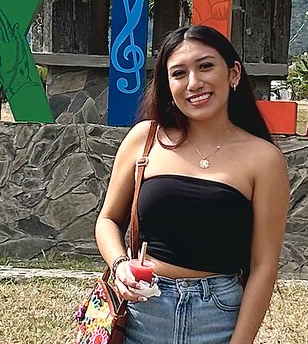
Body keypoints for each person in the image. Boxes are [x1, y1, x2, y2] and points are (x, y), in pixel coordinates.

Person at [96, 24, 290, 344]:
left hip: (218, 314)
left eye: (206, 66)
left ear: (234, 73)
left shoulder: (263, 159)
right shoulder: (144, 140)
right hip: (142, 310)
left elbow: (264, 266)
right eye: (179, 73)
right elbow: (107, 220)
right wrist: (119, 265)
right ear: (167, 84)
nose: (194, 83)